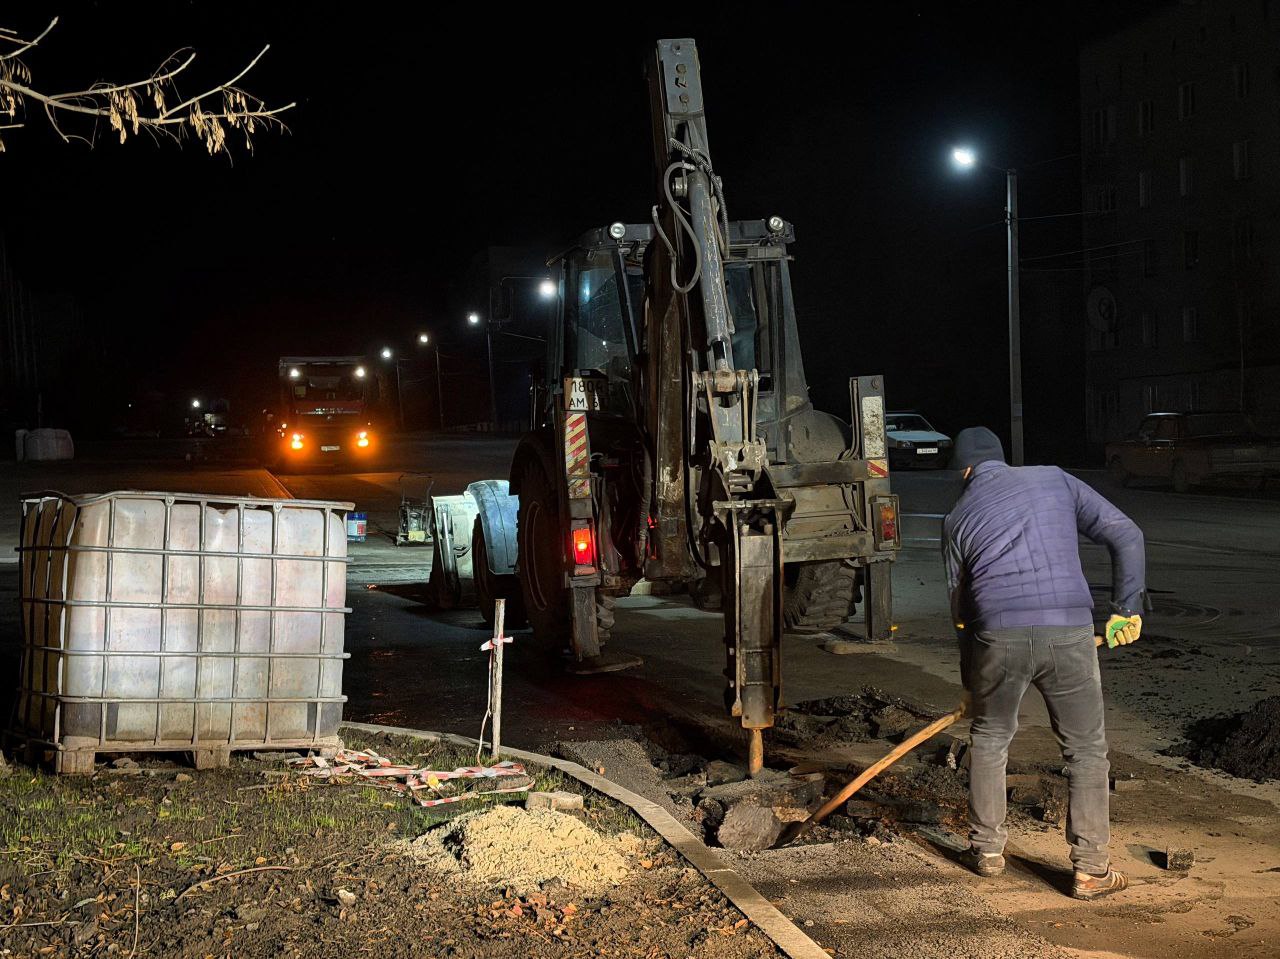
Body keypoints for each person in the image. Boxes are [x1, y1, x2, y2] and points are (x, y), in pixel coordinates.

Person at [942, 427, 1145, 901]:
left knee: (990, 738)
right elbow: (1126, 534)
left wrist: (971, 682)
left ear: (965, 470)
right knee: (1086, 750)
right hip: (1068, 630)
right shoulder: (1054, 478)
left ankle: (988, 852)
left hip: (997, 635)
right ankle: (1092, 869)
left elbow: (960, 614)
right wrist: (1127, 608)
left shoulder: (956, 518)